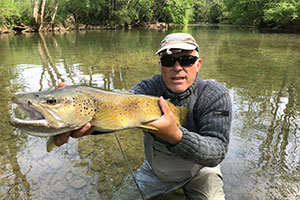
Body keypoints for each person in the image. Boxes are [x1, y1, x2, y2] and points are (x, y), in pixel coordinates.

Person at [55, 33, 232, 200]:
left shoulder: (215, 95)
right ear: (160, 65)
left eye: (187, 60)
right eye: (168, 60)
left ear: (198, 64)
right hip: (155, 172)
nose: (177, 67)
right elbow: (116, 110)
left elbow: (217, 151)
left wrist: (175, 137)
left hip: (201, 172)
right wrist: (80, 119)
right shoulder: (148, 89)